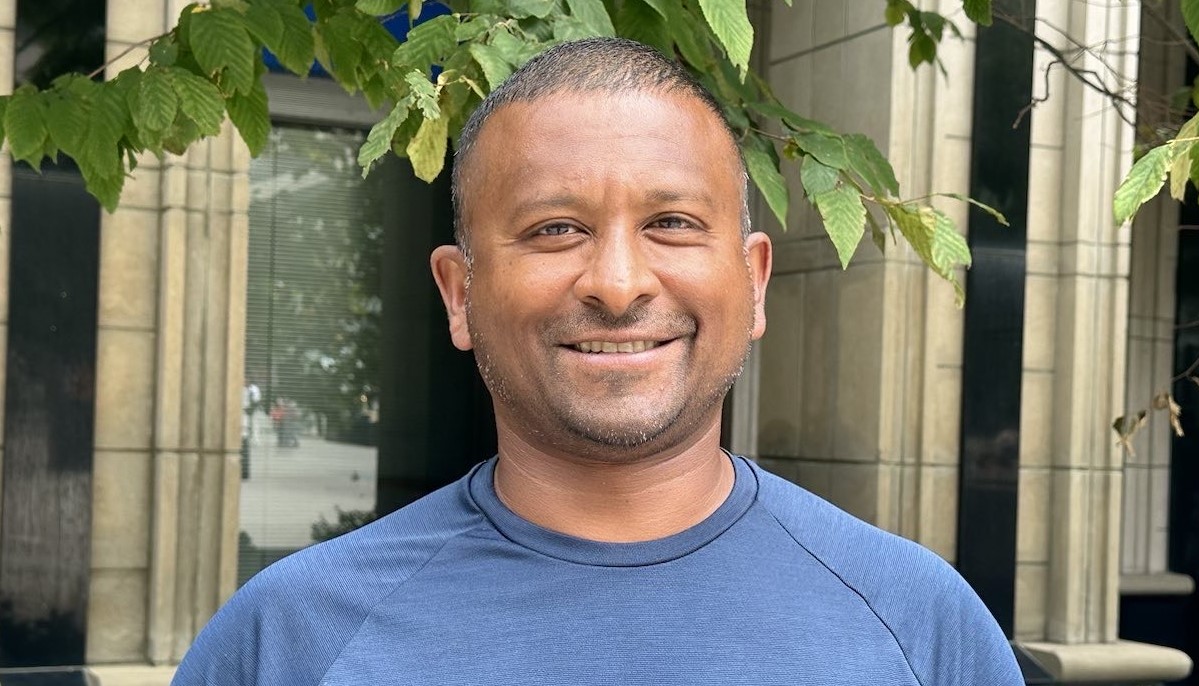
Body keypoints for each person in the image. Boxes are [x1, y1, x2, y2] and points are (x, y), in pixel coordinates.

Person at [173, 38, 1024, 685]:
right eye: (556, 229)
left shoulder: (922, 626)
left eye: (673, 223)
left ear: (755, 281)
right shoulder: (290, 642)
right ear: (459, 294)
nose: (618, 285)